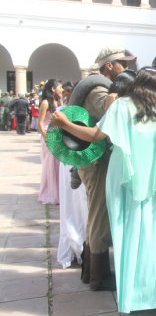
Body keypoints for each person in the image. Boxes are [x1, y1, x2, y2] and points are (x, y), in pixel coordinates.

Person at [51, 67, 156, 313]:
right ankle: (155, 291)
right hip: (153, 178)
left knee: (126, 233)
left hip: (123, 178)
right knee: (154, 232)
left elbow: (95, 135)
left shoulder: (121, 106)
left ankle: (131, 295)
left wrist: (65, 122)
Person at [76, 46, 136, 291]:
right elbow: (114, 116)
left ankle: (91, 271)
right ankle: (98, 277)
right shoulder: (99, 90)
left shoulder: (94, 86)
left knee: (95, 214)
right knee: (100, 216)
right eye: (122, 62)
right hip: (96, 161)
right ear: (109, 66)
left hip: (92, 160)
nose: (126, 66)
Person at [56, 81, 89, 269]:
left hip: (74, 158)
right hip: (72, 158)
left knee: (79, 203)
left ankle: (81, 244)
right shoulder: (68, 112)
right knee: (75, 202)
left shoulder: (75, 112)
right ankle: (76, 244)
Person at [37, 79, 62, 205]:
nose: (61, 90)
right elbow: (40, 122)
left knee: (57, 165)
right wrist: (47, 137)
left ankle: (58, 192)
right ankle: (49, 193)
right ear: (53, 89)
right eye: (60, 87)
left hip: (58, 135)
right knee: (50, 164)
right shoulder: (46, 103)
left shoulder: (57, 102)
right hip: (49, 135)